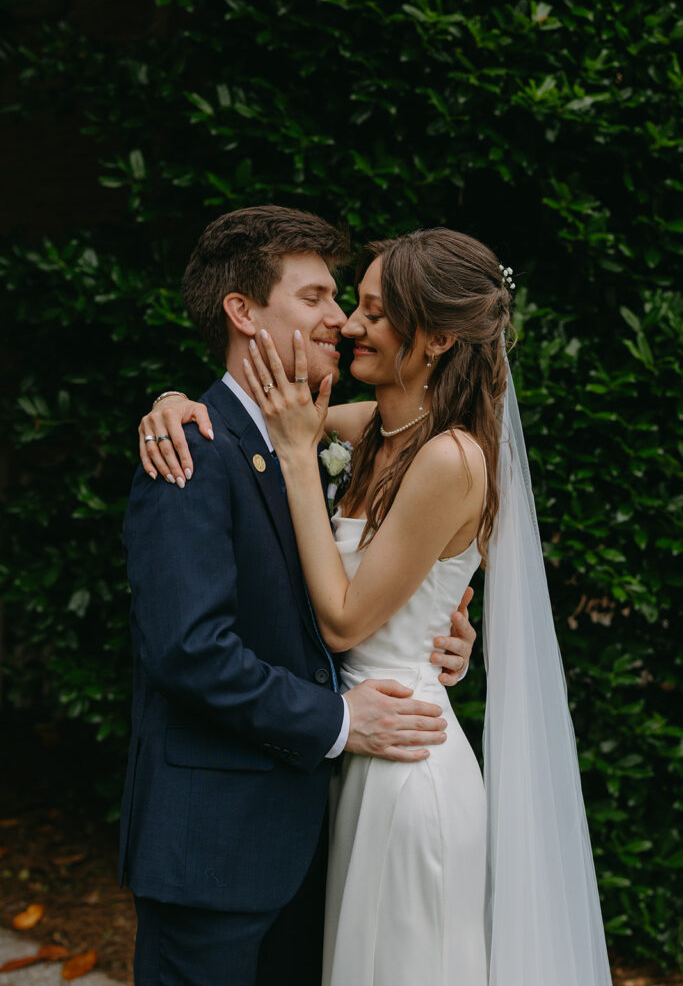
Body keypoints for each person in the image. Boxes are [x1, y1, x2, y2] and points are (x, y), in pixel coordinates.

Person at [150, 226, 612, 986]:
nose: (348, 326)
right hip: (354, 758)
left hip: (408, 769)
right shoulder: (380, 428)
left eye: (371, 310)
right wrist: (168, 403)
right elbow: (242, 426)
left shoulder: (450, 457)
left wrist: (302, 460)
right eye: (347, 304)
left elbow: (342, 620)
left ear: (432, 338)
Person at [121, 205, 476, 986]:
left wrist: (436, 635)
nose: (341, 321)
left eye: (346, 302)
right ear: (242, 312)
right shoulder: (191, 448)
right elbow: (189, 649)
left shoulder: (307, 432)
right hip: (214, 848)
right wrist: (341, 719)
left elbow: (345, 593)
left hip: (317, 826)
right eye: (315, 297)